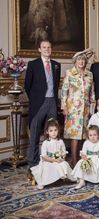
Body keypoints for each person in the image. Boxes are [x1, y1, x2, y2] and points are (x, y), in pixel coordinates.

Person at [24, 40, 61, 169]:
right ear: (39, 49)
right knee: (34, 134)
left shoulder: (57, 65)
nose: (47, 49)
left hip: (52, 102)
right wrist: (35, 100)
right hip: (38, 103)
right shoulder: (33, 64)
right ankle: (33, 164)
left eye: (49, 47)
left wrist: (55, 102)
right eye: (44, 47)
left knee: (51, 134)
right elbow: (27, 85)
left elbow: (56, 86)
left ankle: (50, 162)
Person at [61, 49, 95, 167]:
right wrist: (64, 107)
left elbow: (92, 93)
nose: (81, 62)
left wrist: (92, 108)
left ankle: (82, 159)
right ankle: (74, 161)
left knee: (84, 135)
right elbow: (64, 91)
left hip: (85, 110)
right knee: (74, 136)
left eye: (83, 60)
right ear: (75, 61)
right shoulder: (69, 73)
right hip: (73, 110)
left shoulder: (89, 74)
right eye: (79, 59)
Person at [30, 118, 75, 190]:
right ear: (47, 132)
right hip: (48, 160)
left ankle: (73, 178)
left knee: (65, 164)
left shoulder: (60, 141)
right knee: (47, 168)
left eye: (55, 130)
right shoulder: (46, 143)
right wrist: (54, 160)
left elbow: (64, 152)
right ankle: (43, 182)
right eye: (51, 131)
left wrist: (62, 158)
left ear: (58, 130)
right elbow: (44, 156)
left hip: (58, 159)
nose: (53, 133)